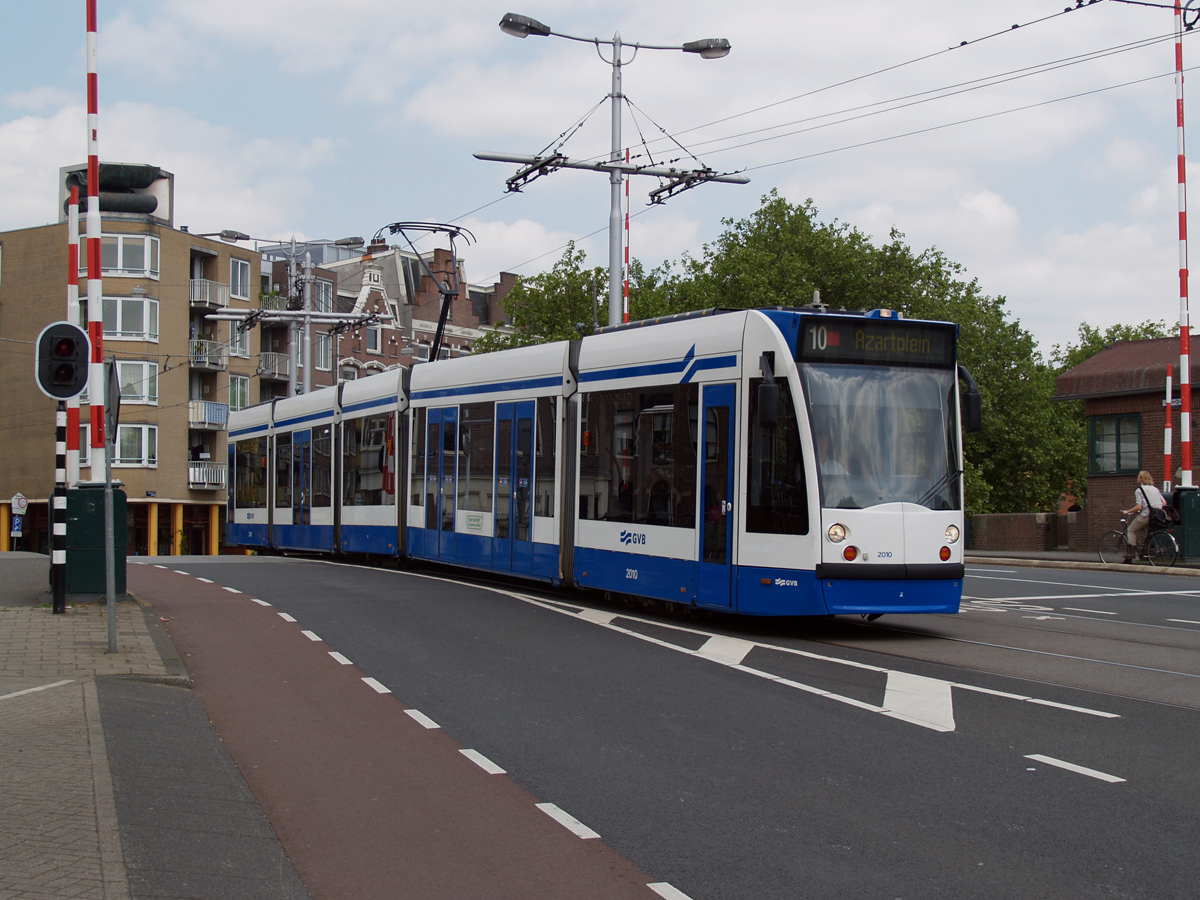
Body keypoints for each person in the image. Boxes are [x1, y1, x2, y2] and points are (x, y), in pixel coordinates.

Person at [1122, 470, 1165, 562]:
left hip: (1147, 515)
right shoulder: (1155, 489)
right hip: (1156, 516)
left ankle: (1131, 553)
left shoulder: (1139, 490)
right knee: (1141, 528)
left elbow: (1139, 507)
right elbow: (1164, 502)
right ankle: (1151, 544)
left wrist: (1128, 511)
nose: (1137, 479)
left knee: (1131, 530)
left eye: (1138, 477)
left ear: (1141, 479)